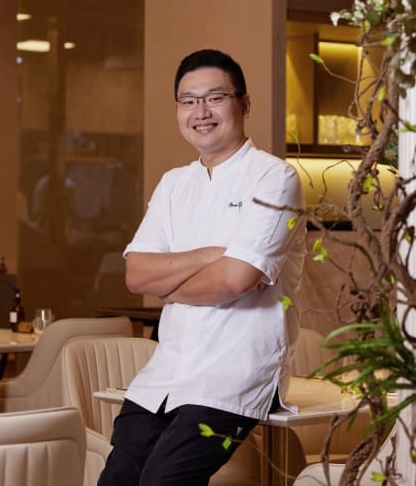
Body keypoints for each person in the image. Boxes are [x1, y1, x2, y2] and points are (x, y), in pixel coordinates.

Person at [98, 48, 306, 486]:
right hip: (167, 371)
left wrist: (169, 283)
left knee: (163, 480)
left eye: (214, 98)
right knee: (117, 478)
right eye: (188, 101)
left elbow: (235, 279)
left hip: (234, 376)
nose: (201, 112)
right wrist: (210, 254)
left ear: (244, 104)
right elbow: (137, 275)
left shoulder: (274, 178)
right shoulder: (174, 183)